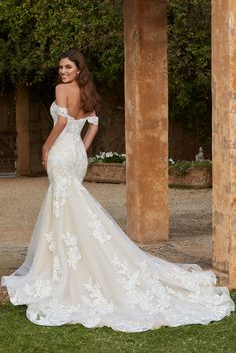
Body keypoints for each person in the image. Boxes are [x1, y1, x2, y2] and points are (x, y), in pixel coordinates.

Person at [1, 50, 234, 331]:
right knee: (70, 206)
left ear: (77, 70)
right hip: (75, 154)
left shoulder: (61, 90)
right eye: (61, 67)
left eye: (68, 67)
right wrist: (82, 149)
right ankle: (67, 262)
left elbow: (62, 123)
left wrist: (46, 146)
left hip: (63, 151)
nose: (62, 72)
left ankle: (62, 268)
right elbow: (93, 124)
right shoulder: (85, 92)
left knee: (64, 205)